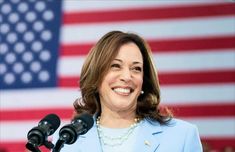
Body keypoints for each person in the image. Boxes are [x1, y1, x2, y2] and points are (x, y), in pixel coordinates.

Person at [56, 31, 203, 152]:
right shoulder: (66, 139)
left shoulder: (183, 136)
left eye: (136, 68)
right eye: (115, 66)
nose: (127, 77)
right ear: (96, 76)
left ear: (144, 81)